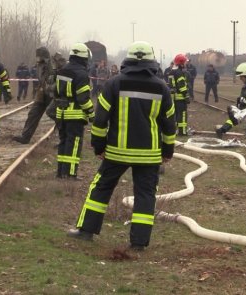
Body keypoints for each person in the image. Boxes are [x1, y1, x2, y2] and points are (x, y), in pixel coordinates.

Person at [67, 41, 176, 250]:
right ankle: (138, 244)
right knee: (145, 196)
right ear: (152, 60)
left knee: (101, 188)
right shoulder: (162, 87)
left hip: (116, 152)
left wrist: (99, 146)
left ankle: (86, 231)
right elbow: (169, 125)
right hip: (149, 155)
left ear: (129, 58)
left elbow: (100, 120)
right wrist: (167, 152)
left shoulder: (114, 83)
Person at [55, 43, 95, 179]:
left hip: (61, 112)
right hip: (75, 114)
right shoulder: (82, 74)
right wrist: (91, 113)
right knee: (74, 143)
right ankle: (71, 173)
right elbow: (83, 98)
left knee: (63, 141)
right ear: (83, 57)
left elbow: (55, 91)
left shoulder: (62, 70)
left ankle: (61, 172)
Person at [12, 47, 65, 144]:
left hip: (53, 94)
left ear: (44, 57)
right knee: (33, 114)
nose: (37, 59)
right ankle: (25, 136)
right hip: (42, 93)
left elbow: (60, 78)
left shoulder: (53, 64)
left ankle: (63, 138)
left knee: (56, 115)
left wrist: (54, 87)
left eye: (39, 57)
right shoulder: (39, 66)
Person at [168, 54, 190, 136]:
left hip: (174, 97)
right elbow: (182, 86)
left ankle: (177, 130)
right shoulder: (179, 72)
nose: (185, 64)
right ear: (181, 63)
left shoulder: (172, 71)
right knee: (183, 114)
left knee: (176, 115)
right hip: (180, 98)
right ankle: (183, 131)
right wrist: (186, 96)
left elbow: (170, 85)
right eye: (184, 62)